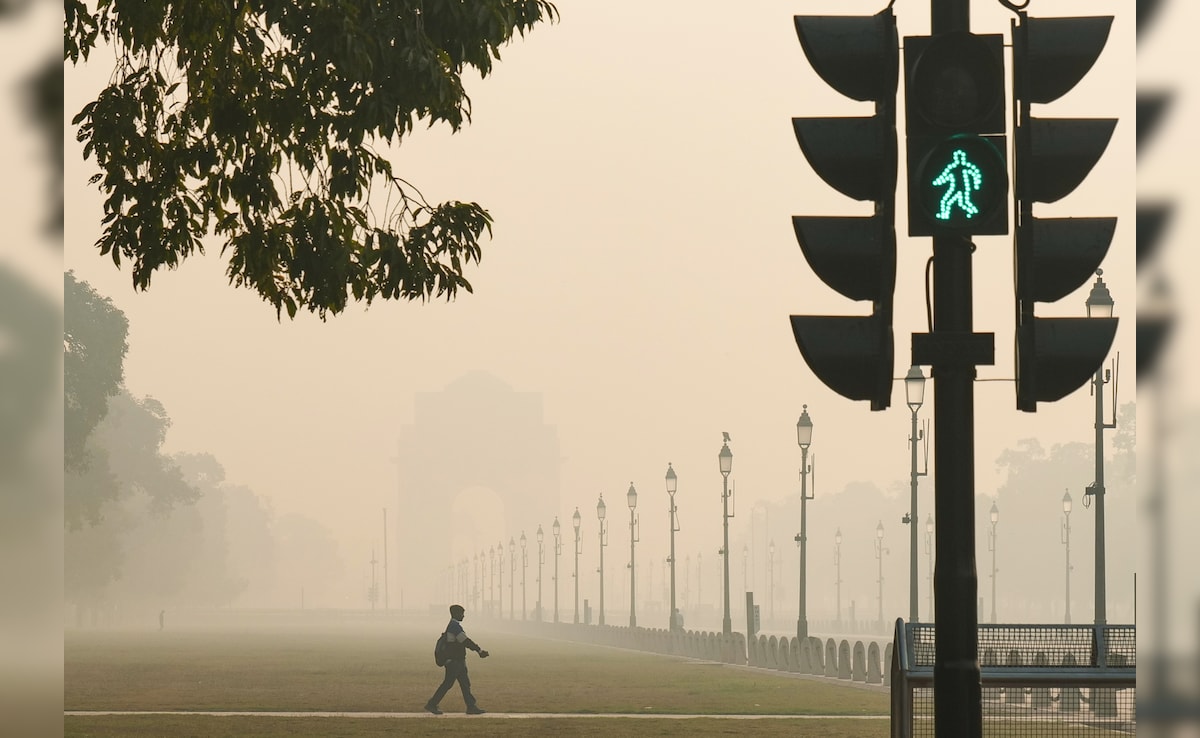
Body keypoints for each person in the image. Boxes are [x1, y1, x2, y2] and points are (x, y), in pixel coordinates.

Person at [425, 604, 489, 715]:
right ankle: (432, 704)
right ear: (456, 614)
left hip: (458, 661)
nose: (463, 616)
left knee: (465, 684)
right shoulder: (455, 627)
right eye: (462, 614)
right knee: (448, 684)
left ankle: (471, 707)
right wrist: (479, 650)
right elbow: (465, 641)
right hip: (454, 662)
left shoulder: (453, 626)